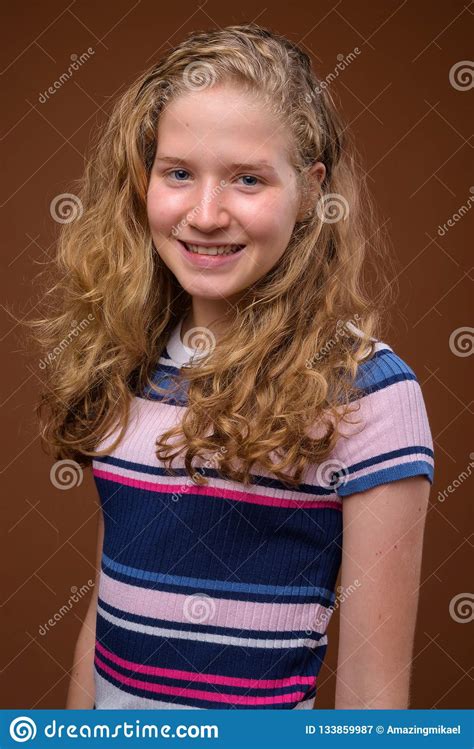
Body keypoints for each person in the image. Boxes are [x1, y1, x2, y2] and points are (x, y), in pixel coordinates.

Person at [30, 23, 434, 710]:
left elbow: (373, 701)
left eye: (248, 179)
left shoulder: (370, 392)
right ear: (144, 178)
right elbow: (102, 611)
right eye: (179, 173)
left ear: (310, 192)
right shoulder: (127, 354)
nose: (207, 213)